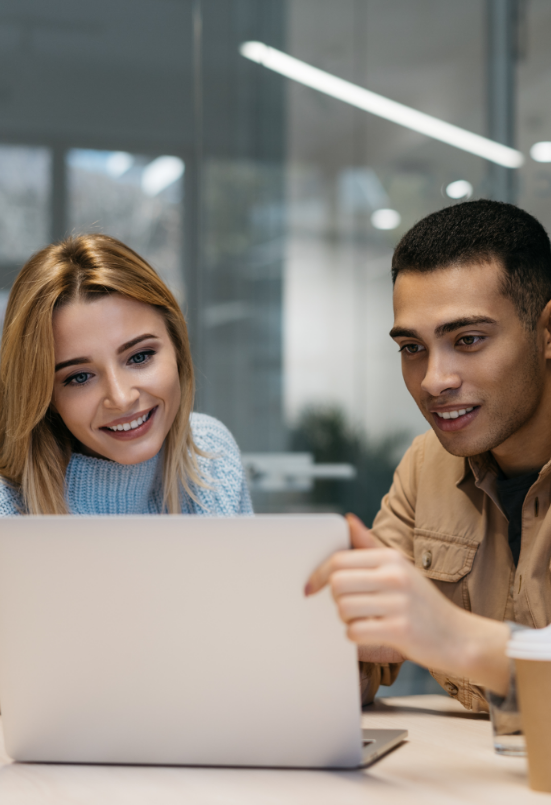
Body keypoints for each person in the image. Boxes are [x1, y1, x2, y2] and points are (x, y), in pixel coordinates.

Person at [307, 199, 551, 711]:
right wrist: (335, 651)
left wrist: (448, 635)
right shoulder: (427, 464)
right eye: (412, 348)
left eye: (468, 339)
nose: (434, 381)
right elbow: (364, 656)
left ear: (547, 332)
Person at [0, 234, 252, 517]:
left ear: (178, 349)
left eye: (139, 357)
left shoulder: (212, 455)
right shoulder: (6, 506)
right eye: (80, 377)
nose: (121, 399)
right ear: (44, 398)